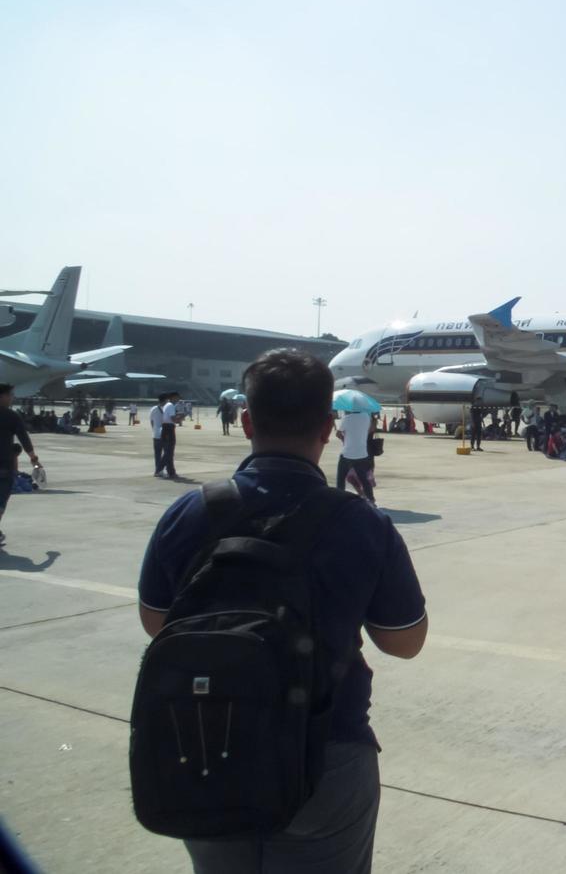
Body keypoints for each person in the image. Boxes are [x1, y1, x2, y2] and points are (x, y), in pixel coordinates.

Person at [136, 349, 426, 874]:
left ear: (246, 421)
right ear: (327, 427)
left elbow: (157, 623)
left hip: (206, 743)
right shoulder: (362, 524)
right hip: (328, 750)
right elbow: (404, 641)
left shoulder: (189, 511)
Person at [0, 383, 41, 548]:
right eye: (10, 395)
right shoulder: (11, 416)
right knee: (1, 501)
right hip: (3, 465)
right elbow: (24, 438)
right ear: (2, 396)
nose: (12, 398)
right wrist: (33, 458)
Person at [336, 410, 376, 502]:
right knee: (365, 480)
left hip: (347, 453)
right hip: (362, 453)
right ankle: (371, 500)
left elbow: (338, 433)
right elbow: (370, 430)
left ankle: (338, 500)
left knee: (341, 479)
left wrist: (345, 440)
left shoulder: (346, 419)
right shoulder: (366, 417)